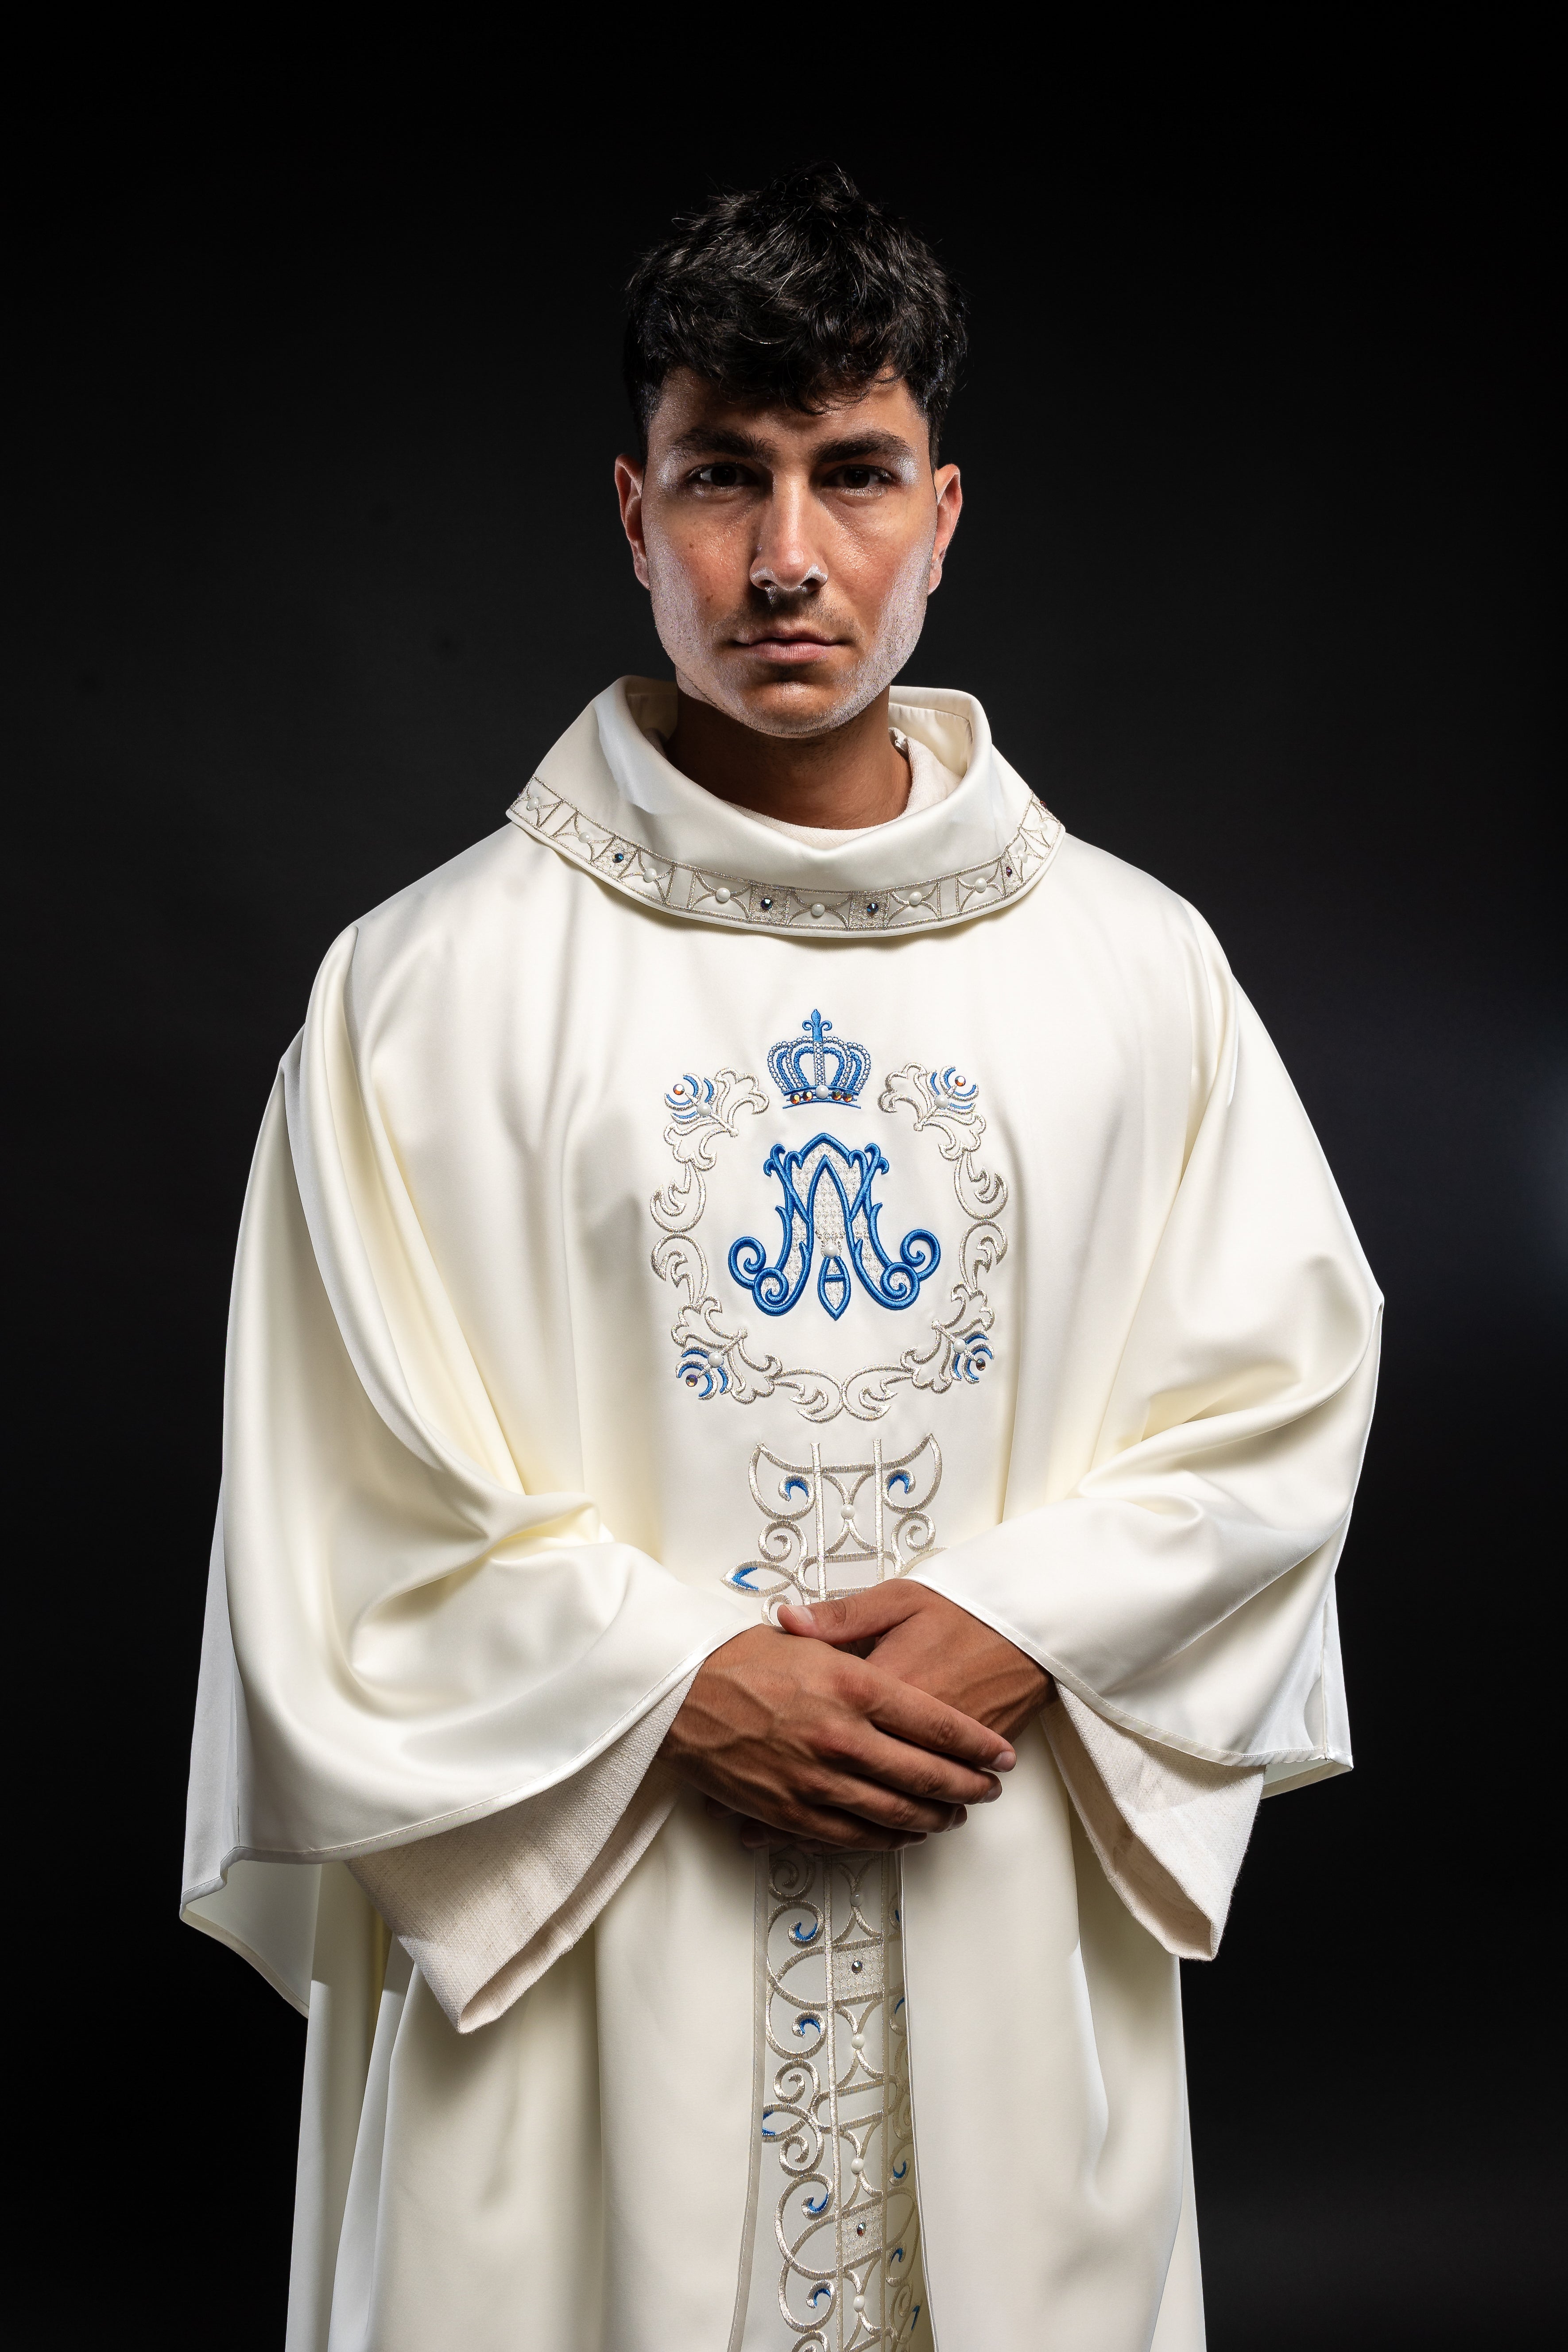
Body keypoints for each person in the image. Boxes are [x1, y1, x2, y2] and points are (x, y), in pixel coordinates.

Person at [182, 163, 1381, 2351]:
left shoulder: (1135, 967)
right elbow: (333, 1509)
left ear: (946, 509)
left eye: (854, 474)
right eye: (721, 476)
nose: (787, 556)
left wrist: (1025, 1619)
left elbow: (1280, 1397)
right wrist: (673, 1678)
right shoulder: (422, 992)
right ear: (630, 513)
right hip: (587, 1913)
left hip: (990, 1841)